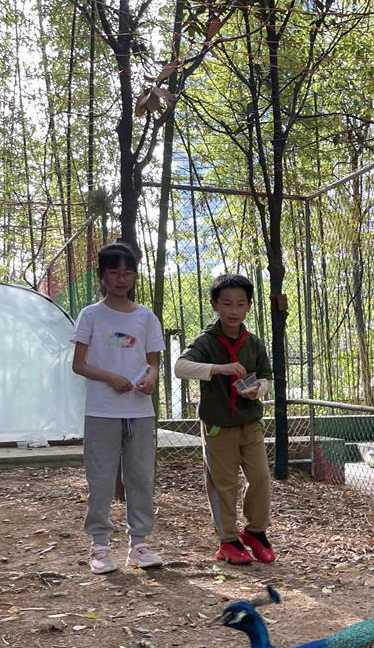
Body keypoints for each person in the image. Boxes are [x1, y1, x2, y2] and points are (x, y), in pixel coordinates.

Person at [71, 242, 165, 574]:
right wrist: (110, 377)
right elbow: (79, 364)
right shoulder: (91, 315)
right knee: (100, 477)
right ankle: (99, 545)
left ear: (135, 276)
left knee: (140, 477)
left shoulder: (145, 316)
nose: (121, 279)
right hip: (102, 410)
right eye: (114, 272)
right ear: (101, 275)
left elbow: (153, 362)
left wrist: (151, 378)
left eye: (128, 272)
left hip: (140, 411)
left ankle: (139, 544)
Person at [174, 273, 276, 565]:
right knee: (223, 484)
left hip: (250, 423)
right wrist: (220, 369)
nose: (234, 310)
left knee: (261, 478)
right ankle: (228, 540)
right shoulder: (206, 341)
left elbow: (266, 378)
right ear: (214, 305)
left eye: (240, 304)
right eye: (227, 303)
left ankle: (255, 532)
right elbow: (181, 367)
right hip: (218, 426)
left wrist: (258, 390)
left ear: (249, 306)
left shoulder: (253, 343)